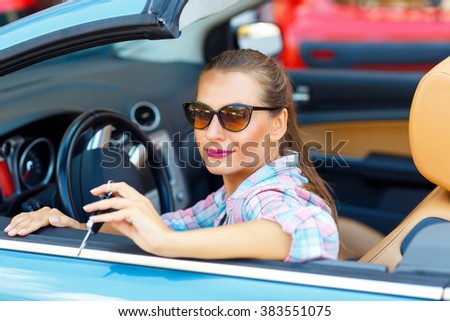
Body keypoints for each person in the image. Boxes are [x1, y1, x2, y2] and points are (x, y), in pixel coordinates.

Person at [4, 49, 338, 263]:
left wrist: (162, 242)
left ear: (278, 123)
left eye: (235, 115)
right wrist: (72, 227)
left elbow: (310, 229)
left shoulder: (268, 193)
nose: (213, 133)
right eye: (202, 113)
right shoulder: (232, 194)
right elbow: (176, 227)